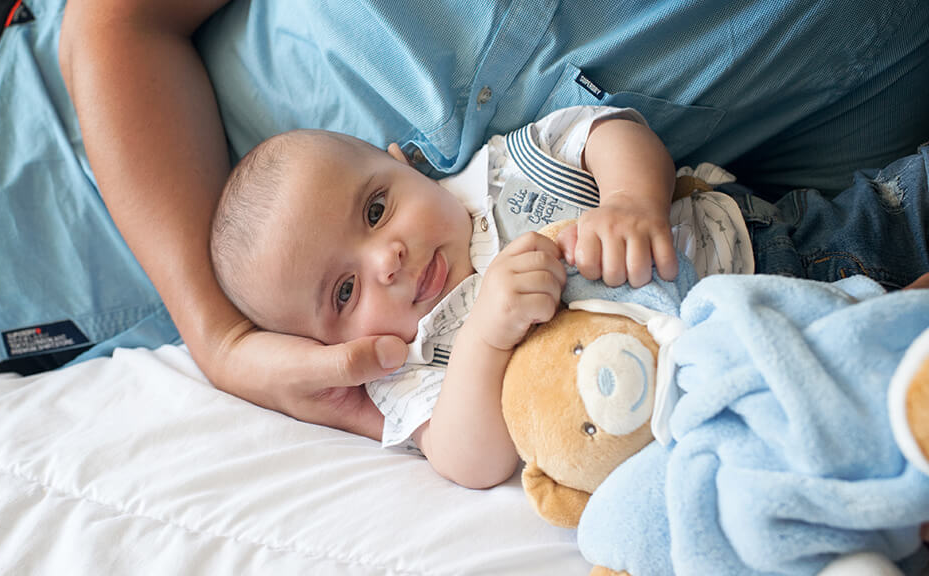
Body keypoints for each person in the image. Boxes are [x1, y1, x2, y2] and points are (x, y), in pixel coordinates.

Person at [0, 1, 928, 445]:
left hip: (24, 329)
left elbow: (795, 240)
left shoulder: (878, 55)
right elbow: (119, 21)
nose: (393, 253)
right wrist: (223, 338)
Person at [208, 104, 929, 487]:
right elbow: (468, 461)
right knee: (870, 402)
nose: (387, 259)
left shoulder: (501, 170)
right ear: (326, 345)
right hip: (738, 392)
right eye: (343, 289)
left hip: (787, 251)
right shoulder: (413, 366)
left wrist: (630, 201)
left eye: (374, 210)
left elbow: (608, 130)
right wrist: (487, 336)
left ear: (401, 163)